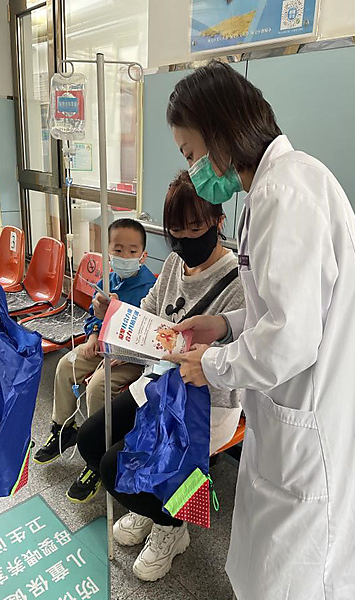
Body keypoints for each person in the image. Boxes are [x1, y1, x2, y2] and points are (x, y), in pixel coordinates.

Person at [165, 61, 355, 600]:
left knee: (298, 576)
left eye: (191, 152)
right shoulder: (279, 185)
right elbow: (283, 309)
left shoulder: (283, 194)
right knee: (275, 565)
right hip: (294, 418)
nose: (194, 169)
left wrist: (212, 364)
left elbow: (292, 338)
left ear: (221, 132)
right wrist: (224, 324)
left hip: (312, 427)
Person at [77, 170, 245, 582]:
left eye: (195, 229)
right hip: (157, 386)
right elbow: (148, 317)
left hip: (204, 405)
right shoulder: (173, 264)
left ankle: (171, 526)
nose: (184, 242)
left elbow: (238, 364)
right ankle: (150, 508)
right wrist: (113, 317)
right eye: (175, 233)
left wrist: (202, 359)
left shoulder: (238, 283)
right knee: (91, 441)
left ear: (219, 222)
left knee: (116, 467)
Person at [34, 218, 156, 503]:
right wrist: (91, 338)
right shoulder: (106, 282)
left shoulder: (150, 287)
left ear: (143, 255)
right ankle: (63, 428)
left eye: (132, 251)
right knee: (67, 364)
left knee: (98, 385)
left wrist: (123, 352)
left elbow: (149, 334)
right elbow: (93, 317)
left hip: (131, 358)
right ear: (108, 251)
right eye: (118, 250)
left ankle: (97, 453)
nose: (124, 256)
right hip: (101, 346)